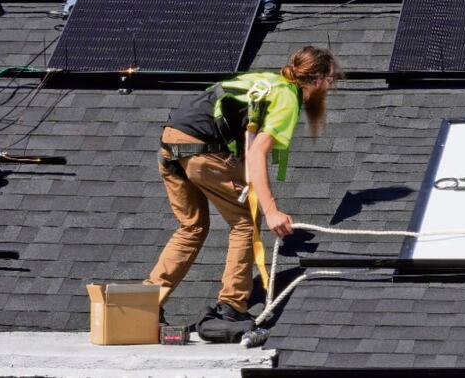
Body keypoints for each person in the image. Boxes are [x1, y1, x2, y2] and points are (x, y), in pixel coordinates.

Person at [145, 46, 341, 342]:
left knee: (192, 227)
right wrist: (271, 210)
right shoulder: (287, 98)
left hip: (171, 142)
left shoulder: (266, 80)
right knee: (246, 223)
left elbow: (239, 133)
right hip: (202, 147)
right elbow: (256, 154)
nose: (331, 85)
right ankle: (231, 308)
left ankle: (145, 305)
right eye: (330, 79)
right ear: (317, 79)